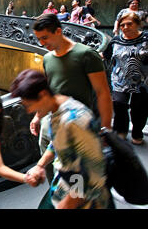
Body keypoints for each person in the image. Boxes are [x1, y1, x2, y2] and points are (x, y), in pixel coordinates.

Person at [10, 69, 113, 209]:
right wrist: (40, 165)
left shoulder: (74, 121)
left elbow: (93, 173)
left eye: (29, 105)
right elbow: (58, 142)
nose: (29, 111)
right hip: (65, 183)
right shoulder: (57, 108)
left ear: (43, 95)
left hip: (87, 199)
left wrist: (68, 204)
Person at [31, 14, 113, 183]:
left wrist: (106, 129)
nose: (42, 43)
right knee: (49, 170)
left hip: (77, 127)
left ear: (59, 31)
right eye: (39, 39)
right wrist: (38, 116)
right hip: (50, 123)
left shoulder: (86, 55)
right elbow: (48, 92)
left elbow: (103, 93)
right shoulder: (47, 58)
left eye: (45, 37)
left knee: (73, 176)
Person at [103, 12, 148, 145]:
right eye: (122, 25)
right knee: (119, 105)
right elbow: (106, 55)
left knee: (139, 109)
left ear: (138, 24)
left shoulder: (146, 39)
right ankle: (121, 131)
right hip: (120, 81)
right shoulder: (116, 40)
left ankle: (137, 132)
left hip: (142, 82)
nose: (125, 27)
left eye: (129, 24)